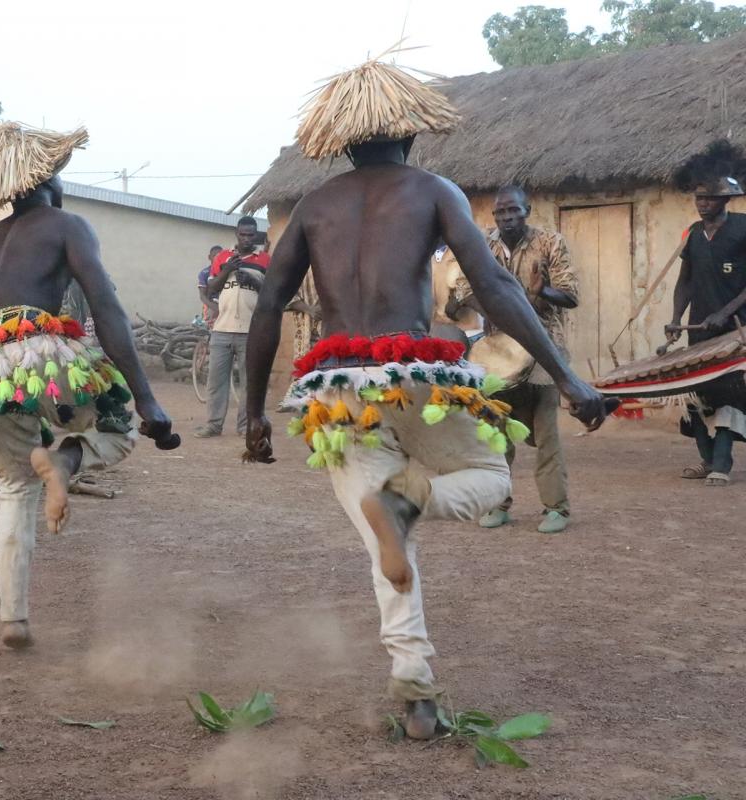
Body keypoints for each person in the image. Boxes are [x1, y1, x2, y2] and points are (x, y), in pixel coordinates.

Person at [242, 58, 609, 738]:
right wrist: (567, 376)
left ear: (342, 142)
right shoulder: (432, 189)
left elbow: (268, 303)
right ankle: (412, 502)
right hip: (411, 371)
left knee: (384, 538)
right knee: (495, 480)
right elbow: (495, 289)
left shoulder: (314, 206)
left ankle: (415, 688)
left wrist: (251, 415)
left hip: (332, 389)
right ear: (410, 133)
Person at [0, 122, 178, 649]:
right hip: (35, 355)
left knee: (15, 485)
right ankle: (63, 460)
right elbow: (105, 306)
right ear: (50, 178)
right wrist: (146, 397)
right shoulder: (68, 225)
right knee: (117, 428)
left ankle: (13, 618)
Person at [447, 186, 579, 534]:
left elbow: (570, 294)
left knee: (546, 433)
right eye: (500, 213)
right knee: (496, 433)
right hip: (498, 353)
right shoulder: (483, 247)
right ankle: (498, 505)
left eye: (513, 211)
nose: (506, 218)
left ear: (527, 210)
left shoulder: (550, 243)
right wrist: (490, 308)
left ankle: (556, 508)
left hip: (543, 352)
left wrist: (540, 293)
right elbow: (463, 290)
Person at [666, 148, 746, 487]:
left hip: (736, 330)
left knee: (728, 395)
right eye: (699, 198)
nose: (703, 204)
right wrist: (674, 320)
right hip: (698, 330)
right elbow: (685, 281)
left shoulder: (743, 228)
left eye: (710, 199)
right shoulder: (694, 233)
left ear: (725, 200)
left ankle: (722, 464)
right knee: (693, 394)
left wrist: (725, 312)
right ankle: (706, 457)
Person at [195, 217, 270, 437]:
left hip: (250, 331)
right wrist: (227, 269)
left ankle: (245, 426)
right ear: (236, 233)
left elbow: (270, 294)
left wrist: (254, 281)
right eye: (242, 234)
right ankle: (213, 425)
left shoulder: (265, 260)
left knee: (249, 383)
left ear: (256, 235)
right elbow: (210, 290)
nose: (246, 239)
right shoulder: (222, 258)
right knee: (216, 382)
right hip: (221, 330)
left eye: (251, 235)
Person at [197, 245, 223, 324]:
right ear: (209, 257)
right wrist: (214, 307)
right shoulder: (205, 273)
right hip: (211, 304)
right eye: (215, 256)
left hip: (225, 304)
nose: (217, 258)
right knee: (209, 327)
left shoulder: (227, 271)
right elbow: (202, 296)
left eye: (220, 256)